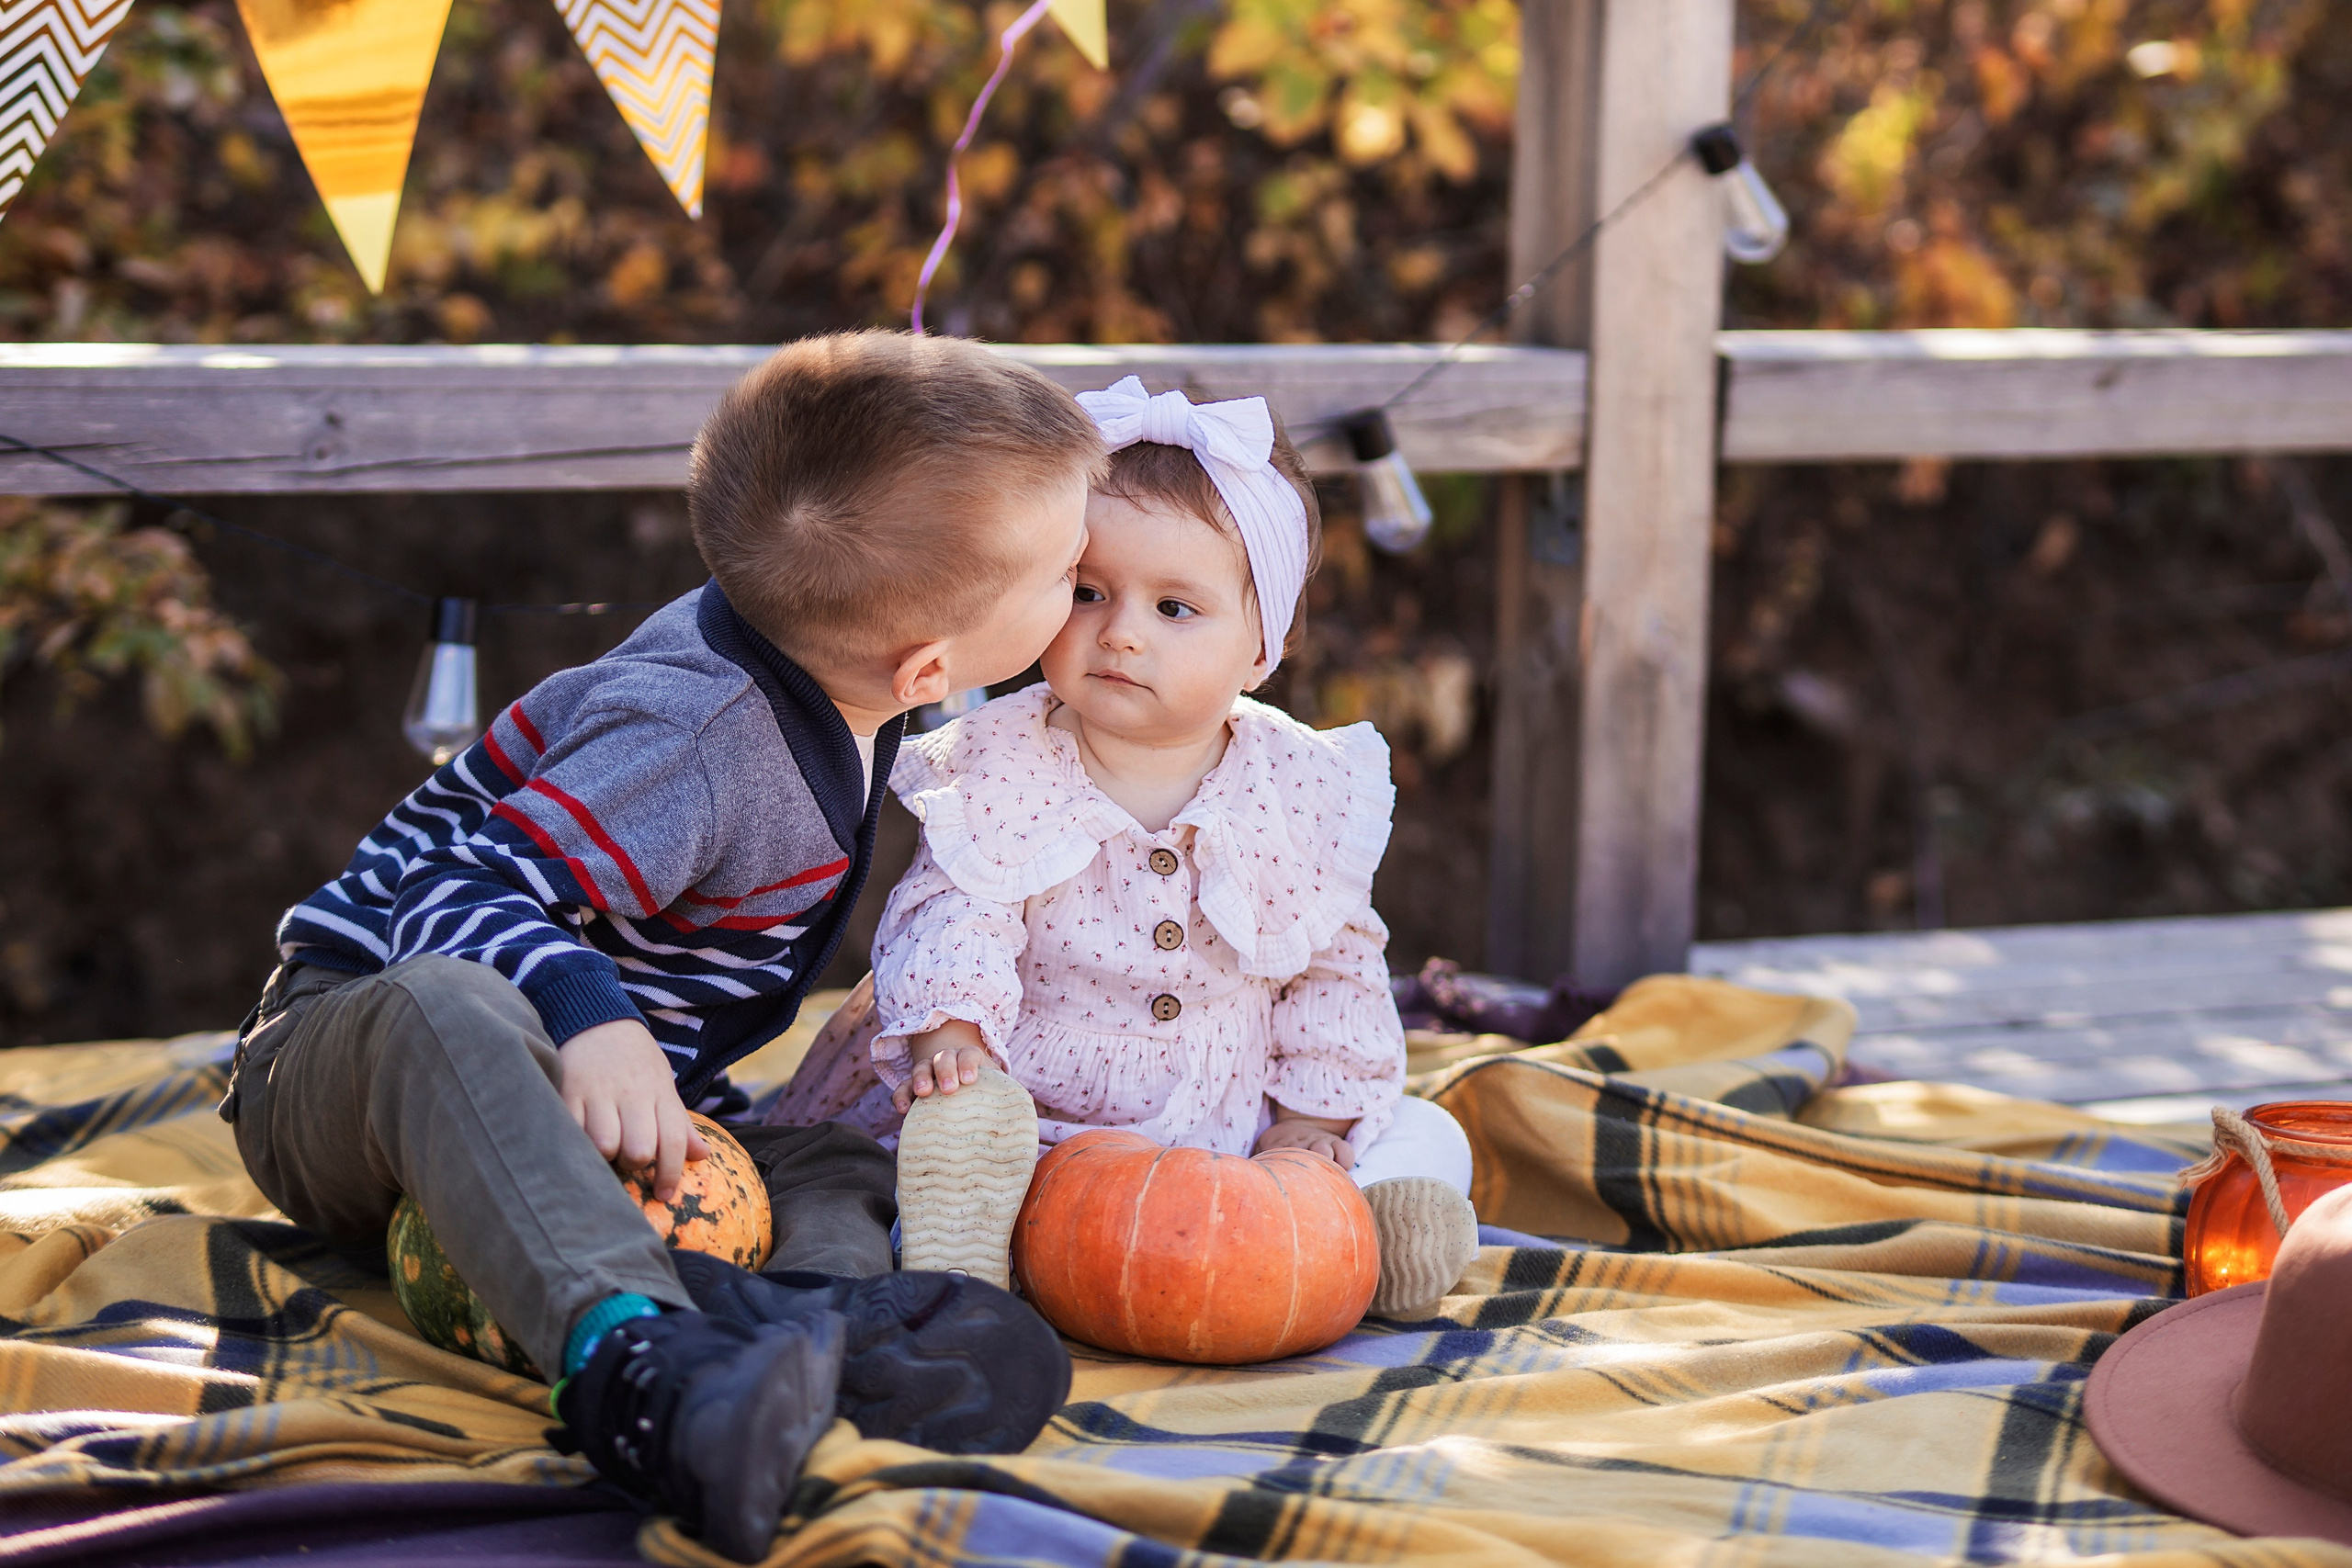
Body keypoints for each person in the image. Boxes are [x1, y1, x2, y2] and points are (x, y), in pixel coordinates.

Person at [221, 333, 1102, 1562]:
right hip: (353, 1065)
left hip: (577, 1117)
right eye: (1070, 572)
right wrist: (594, 1013)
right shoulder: (698, 737)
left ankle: (803, 1328)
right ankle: (635, 1366)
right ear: (931, 665)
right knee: (444, 1003)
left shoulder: (848, 673)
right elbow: (457, 888)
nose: (1087, 579)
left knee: (828, 1156)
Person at [871, 376, 1481, 1323]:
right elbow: (952, 913)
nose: (1119, 634)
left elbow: (1334, 964)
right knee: (955, 1131)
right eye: (1087, 593)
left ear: (1259, 651)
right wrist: (955, 1041)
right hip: (1046, 1118)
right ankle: (965, 1238)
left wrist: (1312, 1122)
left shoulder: (1295, 784)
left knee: (1422, 1127)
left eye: (1174, 609)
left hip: (1237, 1131)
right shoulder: (1003, 761)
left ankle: (1381, 1227)